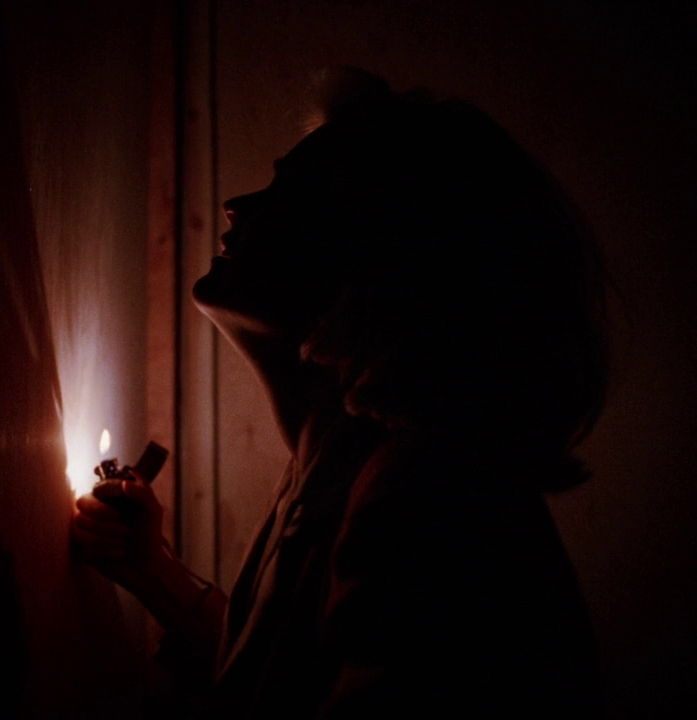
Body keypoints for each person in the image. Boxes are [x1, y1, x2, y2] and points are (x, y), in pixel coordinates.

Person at [72, 68, 607, 717]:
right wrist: (153, 572)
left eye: (292, 193)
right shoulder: (335, 467)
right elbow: (291, 678)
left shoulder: (422, 495)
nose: (236, 204)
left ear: (380, 252)